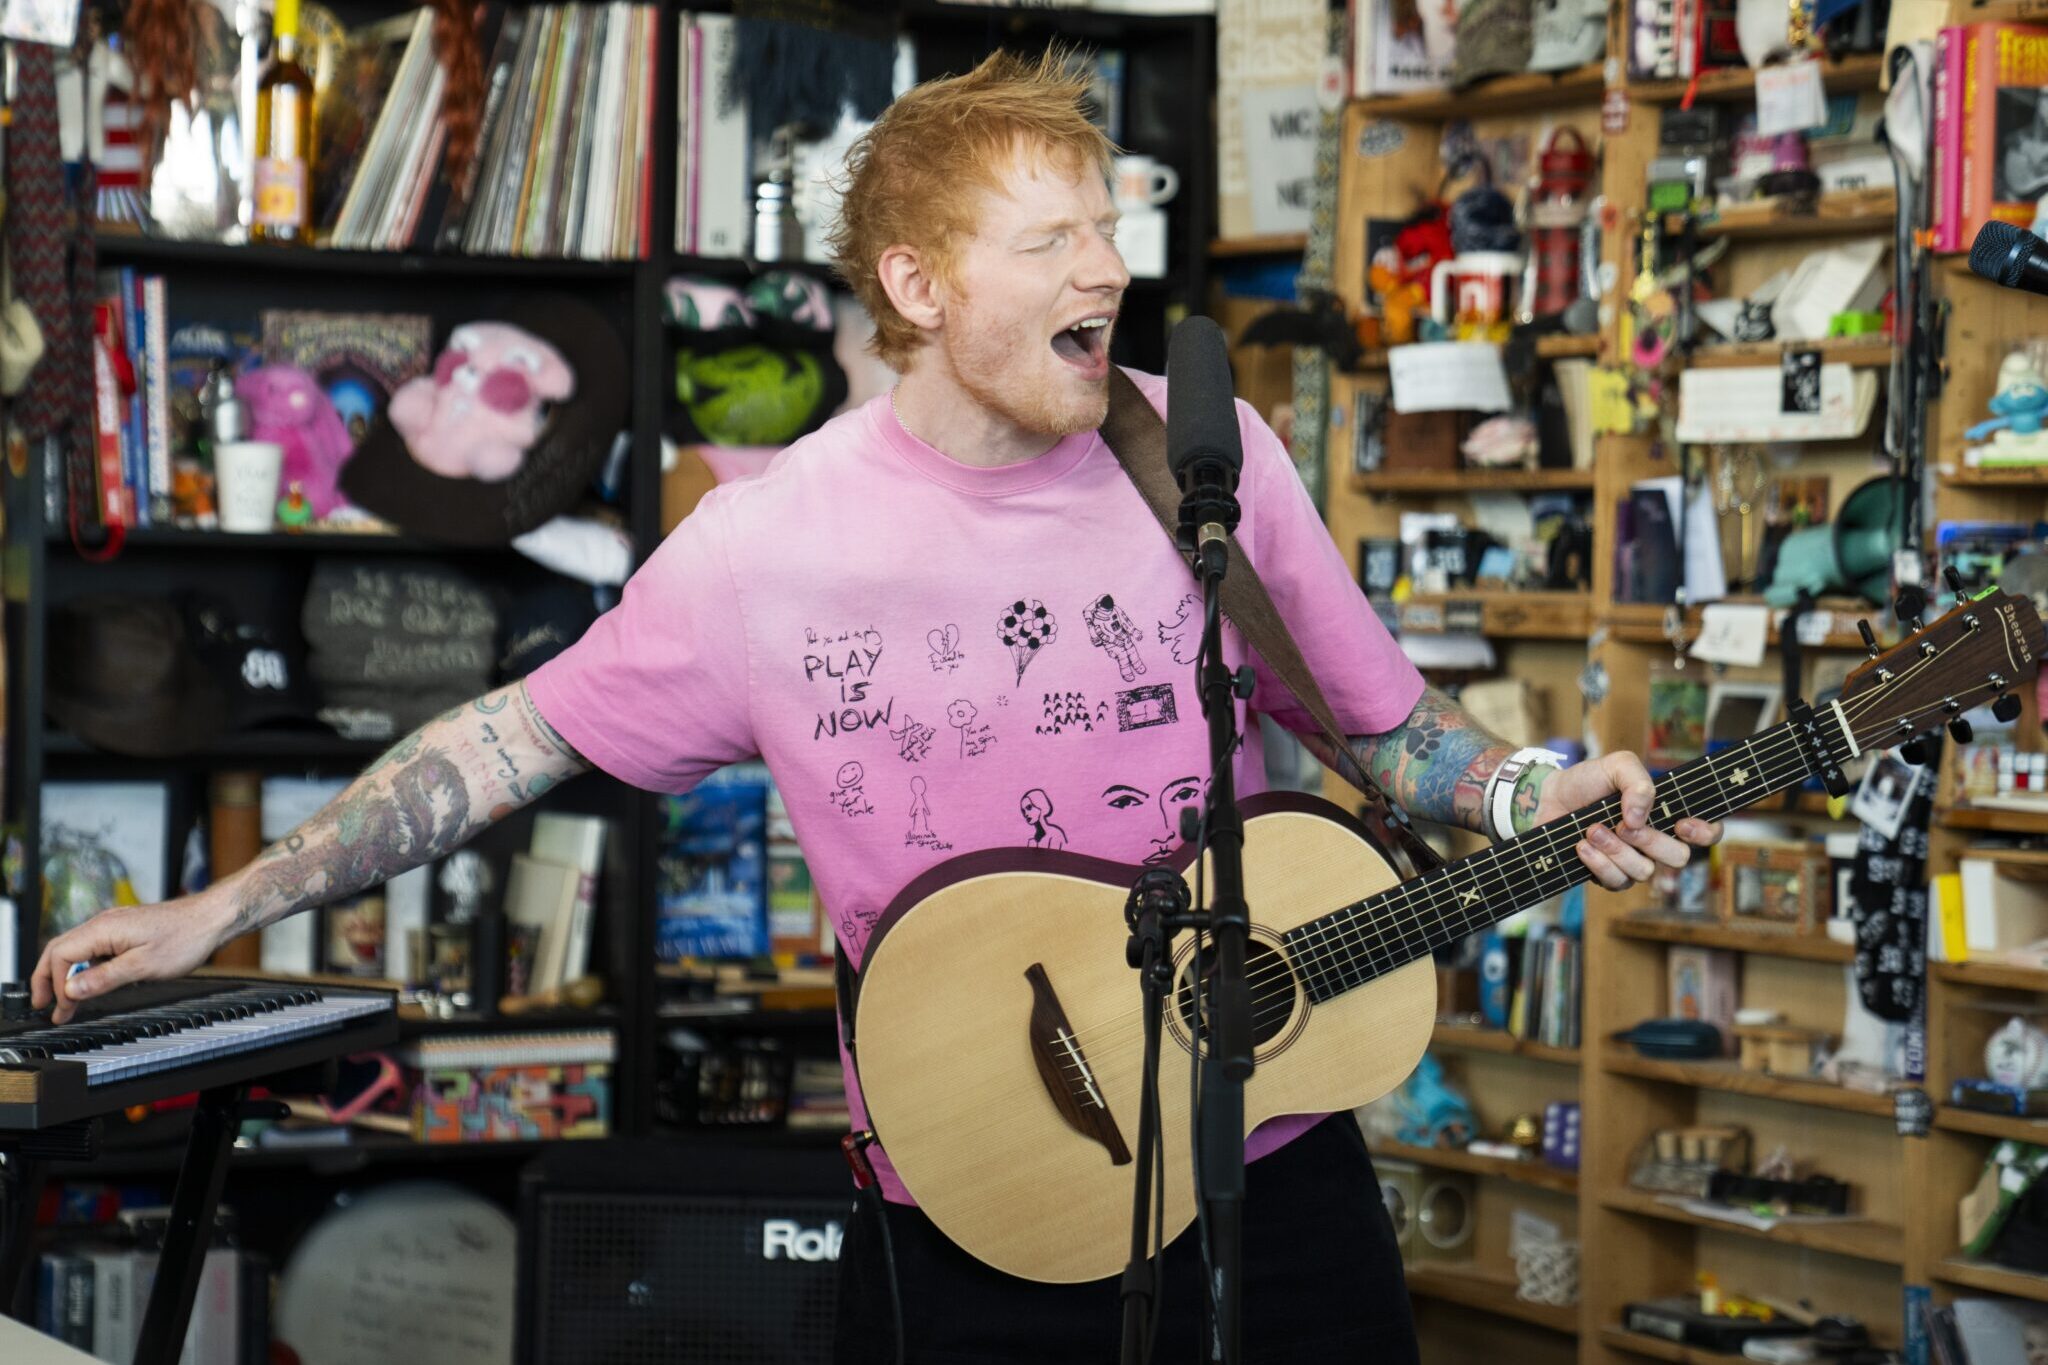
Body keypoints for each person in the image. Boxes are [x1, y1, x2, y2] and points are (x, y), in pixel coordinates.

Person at [32, 50, 1720, 1365]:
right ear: (916, 285)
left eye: (1109, 228)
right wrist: (233, 899)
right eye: (1049, 237)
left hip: (1270, 1167)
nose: (1105, 268)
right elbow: (503, 740)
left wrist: (1528, 799)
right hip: (971, 1197)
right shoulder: (768, 545)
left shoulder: (1195, 454)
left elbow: (1387, 731)